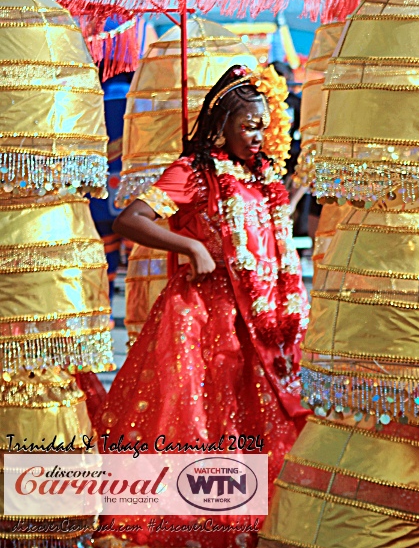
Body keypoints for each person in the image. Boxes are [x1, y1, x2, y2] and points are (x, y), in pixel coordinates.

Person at [95, 65, 309, 548]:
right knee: (200, 423)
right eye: (248, 125)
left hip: (259, 324)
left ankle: (246, 526)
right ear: (220, 126)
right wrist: (190, 247)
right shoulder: (191, 172)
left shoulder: (264, 178)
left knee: (250, 425)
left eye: (263, 125)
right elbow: (129, 219)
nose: (258, 136)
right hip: (200, 321)